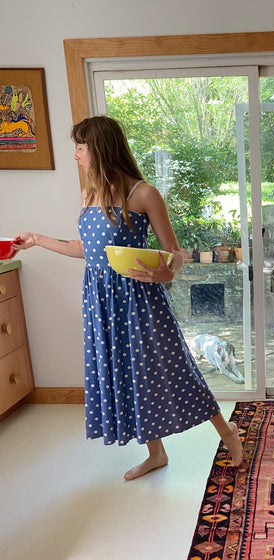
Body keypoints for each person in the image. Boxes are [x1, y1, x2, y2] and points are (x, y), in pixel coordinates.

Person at [13, 115, 243, 481]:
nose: (75, 155)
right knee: (128, 373)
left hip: (140, 298)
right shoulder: (90, 193)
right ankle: (156, 453)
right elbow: (87, 249)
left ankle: (227, 433)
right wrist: (36, 240)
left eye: (80, 147)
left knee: (175, 368)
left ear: (99, 148)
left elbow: (176, 252)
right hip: (100, 300)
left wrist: (168, 271)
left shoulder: (144, 193)